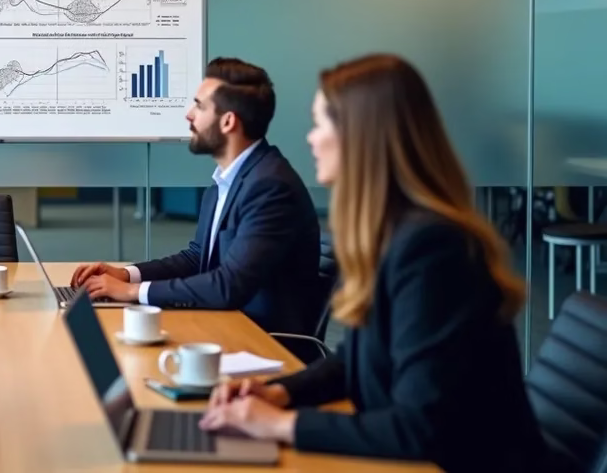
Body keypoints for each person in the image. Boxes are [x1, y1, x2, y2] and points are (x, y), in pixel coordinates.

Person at [200, 54, 547, 472]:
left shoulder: (433, 249)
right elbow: (356, 361)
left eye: (319, 123)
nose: (310, 139)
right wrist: (278, 393)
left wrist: (282, 425)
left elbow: (420, 428)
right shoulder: (391, 234)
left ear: (360, 136)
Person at [71, 58, 322, 335]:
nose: (189, 115)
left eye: (200, 106)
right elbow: (198, 257)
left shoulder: (270, 187)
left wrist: (132, 291)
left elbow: (228, 286)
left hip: (262, 341)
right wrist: (126, 274)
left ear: (228, 122)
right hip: (227, 323)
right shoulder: (229, 178)